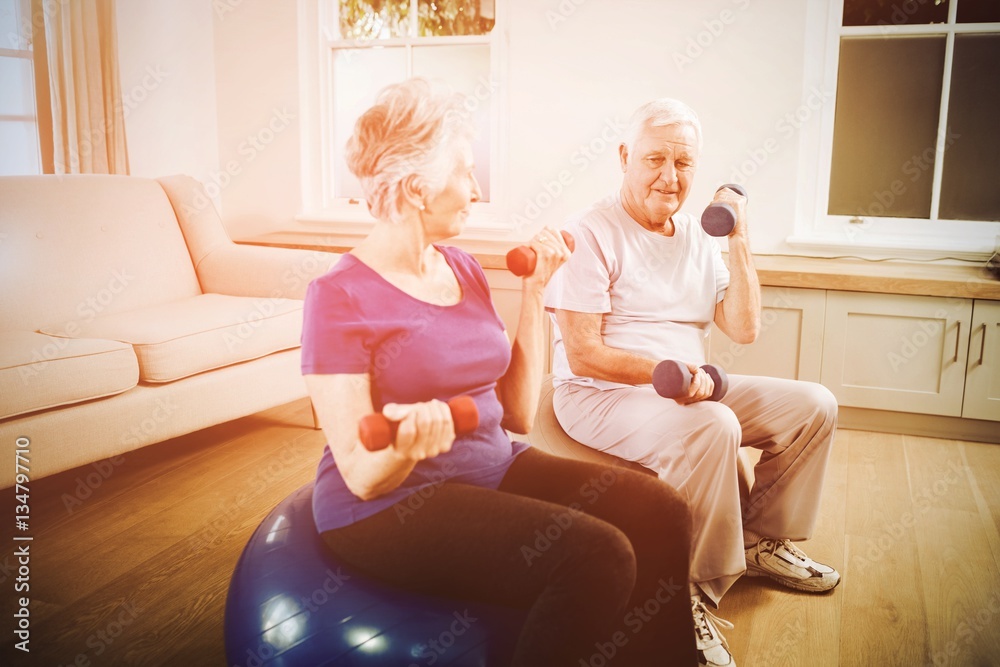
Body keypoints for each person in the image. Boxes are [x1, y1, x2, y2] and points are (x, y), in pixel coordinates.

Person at [301, 78, 699, 666]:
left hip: (492, 465)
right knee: (598, 555)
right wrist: (410, 446)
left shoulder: (461, 267)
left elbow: (514, 413)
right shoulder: (338, 296)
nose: (477, 188)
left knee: (661, 510)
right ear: (417, 188)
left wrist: (536, 292)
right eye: (465, 172)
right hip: (388, 505)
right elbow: (362, 473)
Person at [544, 97, 840, 667]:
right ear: (626, 156)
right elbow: (583, 355)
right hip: (602, 395)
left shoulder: (700, 235)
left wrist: (739, 237)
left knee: (814, 405)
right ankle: (687, 597)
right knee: (713, 424)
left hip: (692, 385)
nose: (669, 176)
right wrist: (672, 379)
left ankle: (760, 544)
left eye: (683, 163)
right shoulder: (590, 231)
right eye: (654, 159)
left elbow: (744, 328)